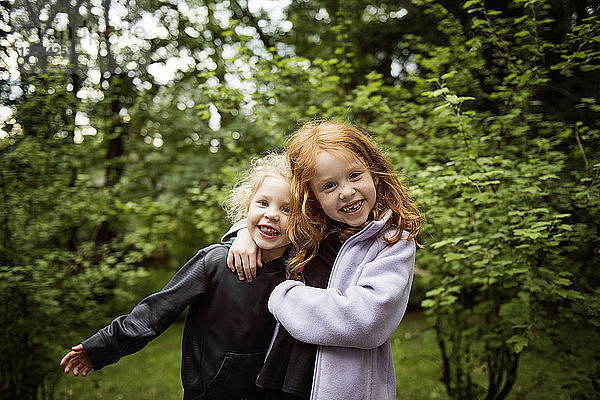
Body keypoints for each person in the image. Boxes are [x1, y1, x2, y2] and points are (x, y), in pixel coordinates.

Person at [60, 153, 293, 400]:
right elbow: (155, 312)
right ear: (246, 208)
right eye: (263, 203)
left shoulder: (299, 273)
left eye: (287, 209)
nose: (272, 214)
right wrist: (100, 348)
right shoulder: (214, 262)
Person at [225, 120, 422, 400]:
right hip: (279, 375)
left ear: (375, 174)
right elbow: (267, 224)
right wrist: (243, 231)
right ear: (313, 197)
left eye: (355, 175)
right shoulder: (307, 229)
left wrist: (284, 296)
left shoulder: (393, 242)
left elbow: (367, 320)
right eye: (329, 185)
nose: (346, 191)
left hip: (340, 388)